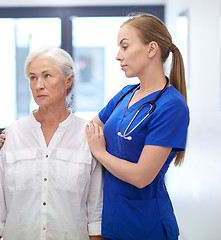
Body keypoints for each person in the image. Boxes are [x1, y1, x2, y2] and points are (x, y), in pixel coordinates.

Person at [0, 48, 104, 240]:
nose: (38, 85)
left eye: (47, 76)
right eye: (33, 77)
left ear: (68, 81)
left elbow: (96, 216)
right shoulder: (13, 134)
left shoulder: (87, 136)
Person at [85, 13, 189, 240]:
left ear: (151, 49)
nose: (117, 56)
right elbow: (87, 132)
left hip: (146, 226)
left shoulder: (172, 106)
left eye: (124, 46)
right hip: (112, 221)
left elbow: (142, 176)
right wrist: (22, 135)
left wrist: (100, 153)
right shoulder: (126, 94)